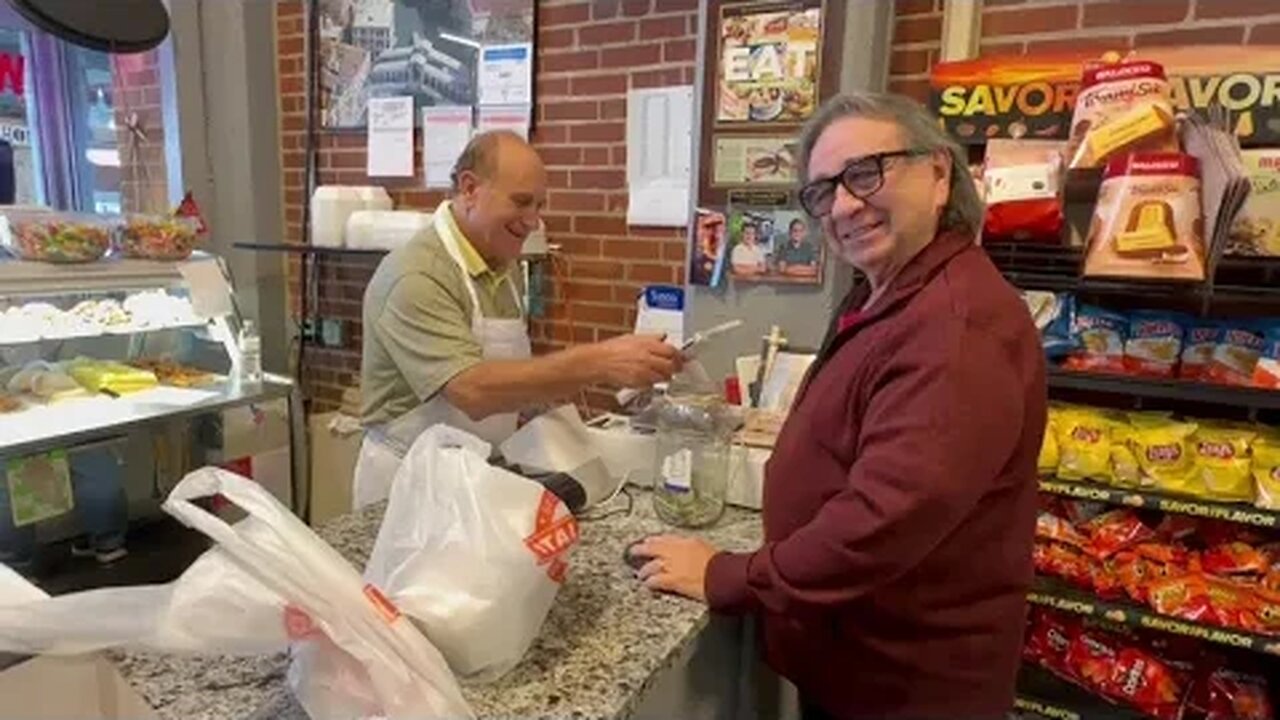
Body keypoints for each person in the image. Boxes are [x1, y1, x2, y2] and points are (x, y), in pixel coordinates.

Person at [632, 92, 1047, 720]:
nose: (844, 205)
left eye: (864, 173)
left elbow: (885, 520)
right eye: (824, 190)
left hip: (907, 690)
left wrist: (729, 576)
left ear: (939, 175)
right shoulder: (893, 291)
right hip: (863, 664)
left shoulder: (956, 327)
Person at [355, 131, 681, 508]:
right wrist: (602, 361)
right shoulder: (415, 276)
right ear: (469, 188)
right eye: (521, 203)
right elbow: (472, 391)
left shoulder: (505, 267)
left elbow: (506, 376)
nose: (533, 222)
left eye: (540, 206)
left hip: (473, 474)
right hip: (406, 486)